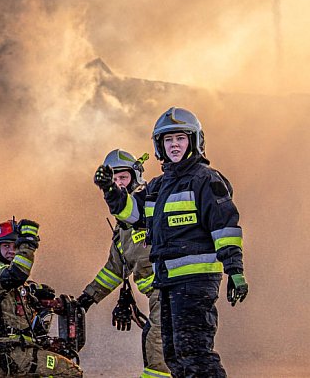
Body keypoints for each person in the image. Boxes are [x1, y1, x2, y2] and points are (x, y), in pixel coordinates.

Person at [93, 107, 248, 378]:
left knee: (196, 354)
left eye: (180, 138)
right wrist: (111, 191)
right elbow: (132, 214)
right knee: (173, 355)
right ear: (160, 146)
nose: (174, 145)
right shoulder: (157, 186)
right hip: (166, 283)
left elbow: (225, 227)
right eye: (168, 140)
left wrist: (235, 270)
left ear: (194, 141)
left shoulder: (205, 179)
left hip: (195, 283)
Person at [77, 149, 170, 378]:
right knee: (163, 341)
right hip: (158, 293)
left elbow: (131, 210)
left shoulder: (151, 204)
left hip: (171, 287)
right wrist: (87, 299)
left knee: (157, 341)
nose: (118, 184)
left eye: (123, 178)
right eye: (114, 179)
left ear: (136, 177)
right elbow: (114, 269)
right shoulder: (122, 230)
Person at [0, 219, 83, 377]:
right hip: (1, 351)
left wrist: (35, 295)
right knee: (69, 371)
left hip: (9, 351)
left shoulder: (15, 285)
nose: (12, 251)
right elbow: (14, 276)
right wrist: (28, 245)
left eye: (16, 246)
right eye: (6, 246)